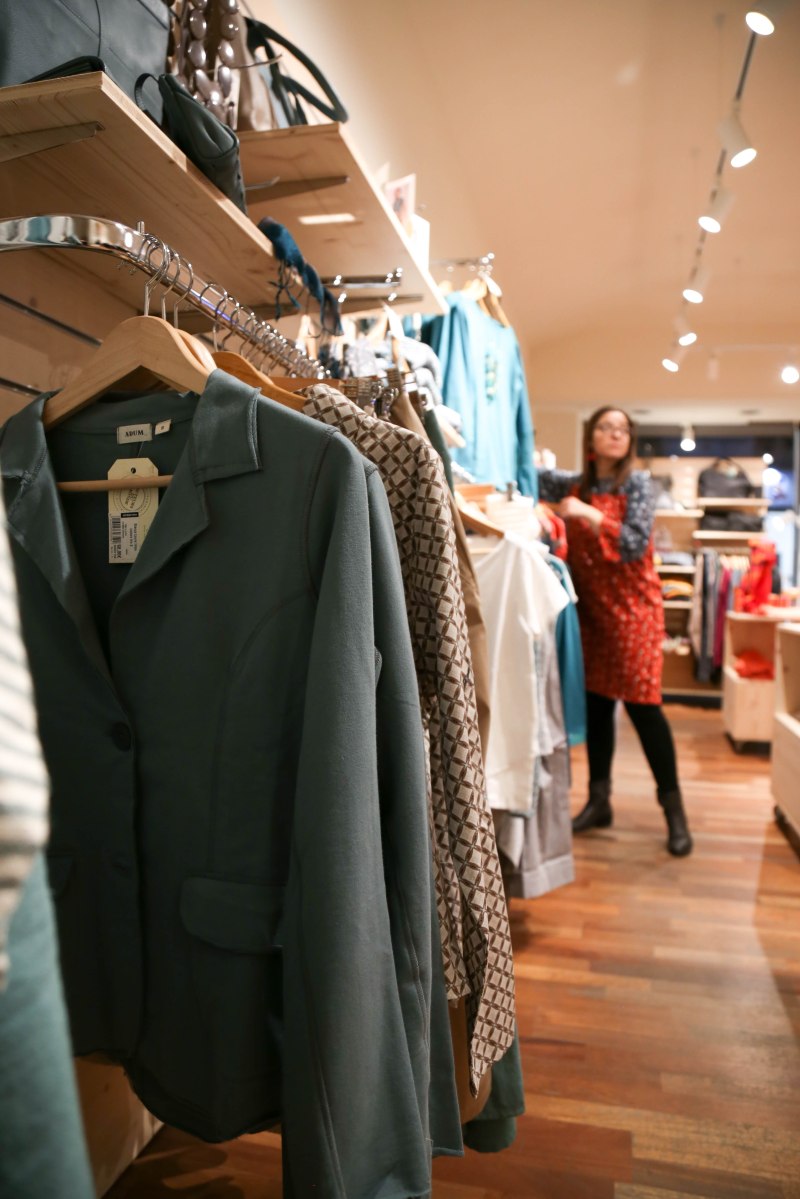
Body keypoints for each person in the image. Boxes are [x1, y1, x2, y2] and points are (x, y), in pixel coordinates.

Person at [538, 406, 692, 856]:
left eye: (623, 429)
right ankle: (599, 802)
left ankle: (674, 812)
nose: (615, 434)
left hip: (635, 611)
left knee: (645, 708)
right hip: (593, 613)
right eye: (606, 427)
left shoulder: (638, 484)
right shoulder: (573, 483)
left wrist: (589, 514)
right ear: (592, 436)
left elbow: (634, 543)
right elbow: (530, 476)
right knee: (598, 705)